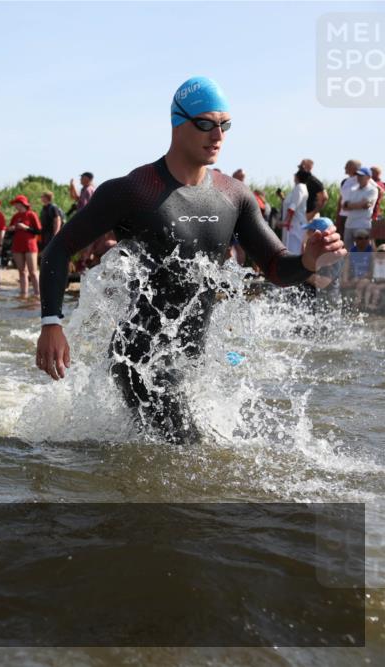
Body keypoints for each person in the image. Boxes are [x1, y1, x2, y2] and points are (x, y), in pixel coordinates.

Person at [35, 76, 346, 443]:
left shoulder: (234, 195)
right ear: (177, 123)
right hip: (138, 358)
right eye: (206, 123)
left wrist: (308, 261)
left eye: (224, 125)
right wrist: (51, 324)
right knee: (190, 452)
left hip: (191, 359)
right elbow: (57, 250)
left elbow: (277, 267)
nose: (217, 134)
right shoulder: (134, 190)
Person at [9, 194, 41, 298]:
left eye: (16, 204)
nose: (15, 206)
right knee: (22, 271)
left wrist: (26, 227)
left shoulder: (31, 214)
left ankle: (38, 293)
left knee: (33, 272)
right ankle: (24, 293)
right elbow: (9, 229)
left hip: (30, 246)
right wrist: (11, 229)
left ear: (22, 204)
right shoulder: (15, 216)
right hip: (17, 246)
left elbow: (38, 231)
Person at [339, 166, 377, 248]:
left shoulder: (372, 190)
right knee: (348, 250)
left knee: (364, 250)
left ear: (368, 177)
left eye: (361, 175)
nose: (358, 177)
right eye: (358, 175)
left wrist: (350, 205)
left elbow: (365, 205)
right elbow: (344, 206)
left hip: (362, 224)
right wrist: (358, 204)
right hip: (349, 224)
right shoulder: (353, 189)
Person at [340, 228, 375, 305]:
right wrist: (345, 280)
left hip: (367, 278)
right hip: (353, 278)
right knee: (340, 283)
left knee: (361, 284)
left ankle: (356, 306)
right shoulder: (351, 252)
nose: (363, 240)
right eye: (360, 238)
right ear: (355, 240)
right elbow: (346, 268)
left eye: (366, 238)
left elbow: (372, 271)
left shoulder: (371, 252)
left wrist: (359, 278)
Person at [280, 170, 309, 254]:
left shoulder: (299, 187)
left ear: (297, 177)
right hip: (294, 223)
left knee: (293, 249)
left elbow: (293, 207)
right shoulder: (299, 187)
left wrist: (286, 221)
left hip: (294, 224)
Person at [334, 159, 361, 238]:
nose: (345, 167)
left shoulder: (362, 179)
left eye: (347, 166)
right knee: (342, 239)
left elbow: (379, 189)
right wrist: (337, 218)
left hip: (355, 217)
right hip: (343, 216)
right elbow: (341, 200)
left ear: (354, 168)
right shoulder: (345, 181)